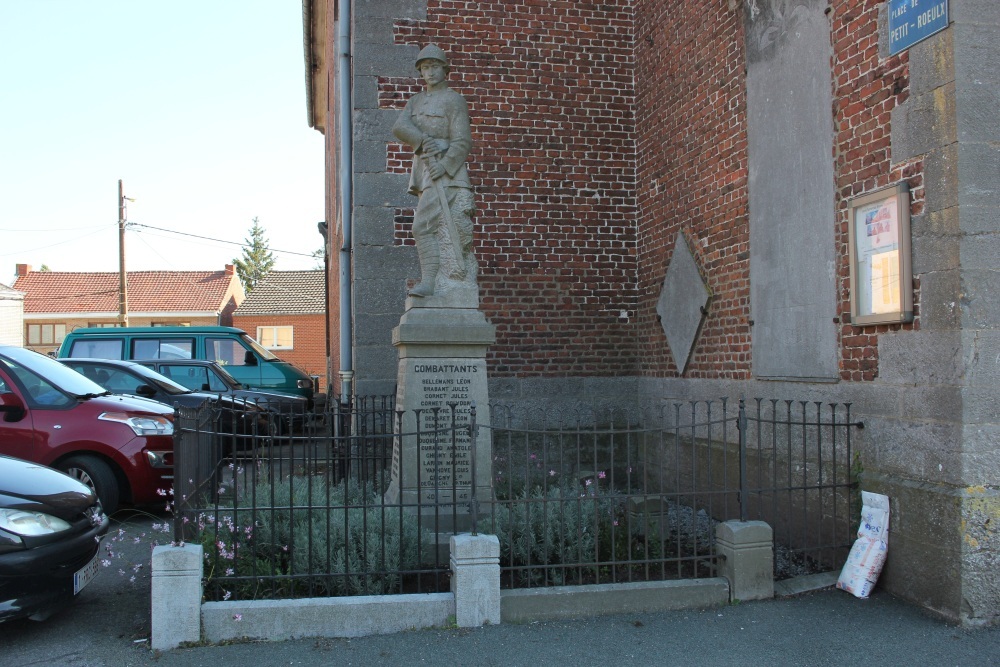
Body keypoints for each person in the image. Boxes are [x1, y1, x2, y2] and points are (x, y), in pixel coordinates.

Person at [392, 44, 477, 297]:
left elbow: (463, 141)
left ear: (444, 70)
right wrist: (421, 140)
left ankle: (430, 282)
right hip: (426, 171)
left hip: (449, 177)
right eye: (425, 68)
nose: (430, 72)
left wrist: (445, 164)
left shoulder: (454, 100)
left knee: (421, 227)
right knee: (427, 227)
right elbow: (400, 127)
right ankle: (433, 281)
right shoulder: (415, 101)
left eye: (435, 67)